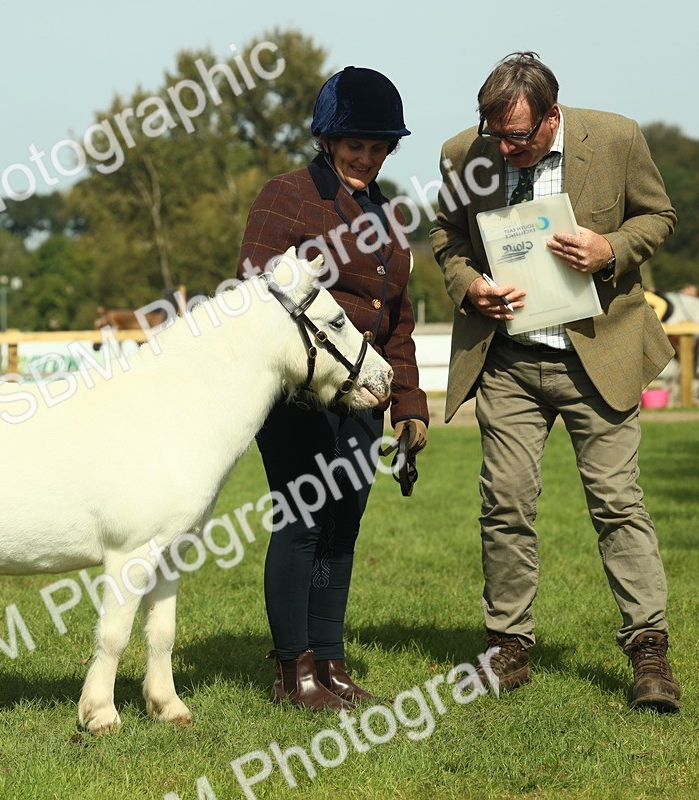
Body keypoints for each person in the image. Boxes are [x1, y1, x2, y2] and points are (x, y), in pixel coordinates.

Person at [430, 52, 680, 712]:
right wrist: (469, 284)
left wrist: (611, 251)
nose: (505, 148)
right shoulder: (464, 154)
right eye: (495, 135)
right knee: (505, 502)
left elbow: (657, 217)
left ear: (552, 115)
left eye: (518, 136)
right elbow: (448, 237)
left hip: (599, 351)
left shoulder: (619, 137)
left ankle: (648, 649)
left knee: (616, 502)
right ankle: (507, 648)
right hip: (508, 361)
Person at [238, 66, 428, 710]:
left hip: (365, 400)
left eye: (379, 148)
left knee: (343, 525)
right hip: (300, 399)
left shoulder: (386, 213)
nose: (366, 158)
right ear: (326, 138)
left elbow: (395, 318)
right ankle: (294, 671)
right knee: (302, 525)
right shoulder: (284, 196)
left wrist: (410, 405)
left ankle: (331, 659)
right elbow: (255, 290)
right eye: (355, 145)